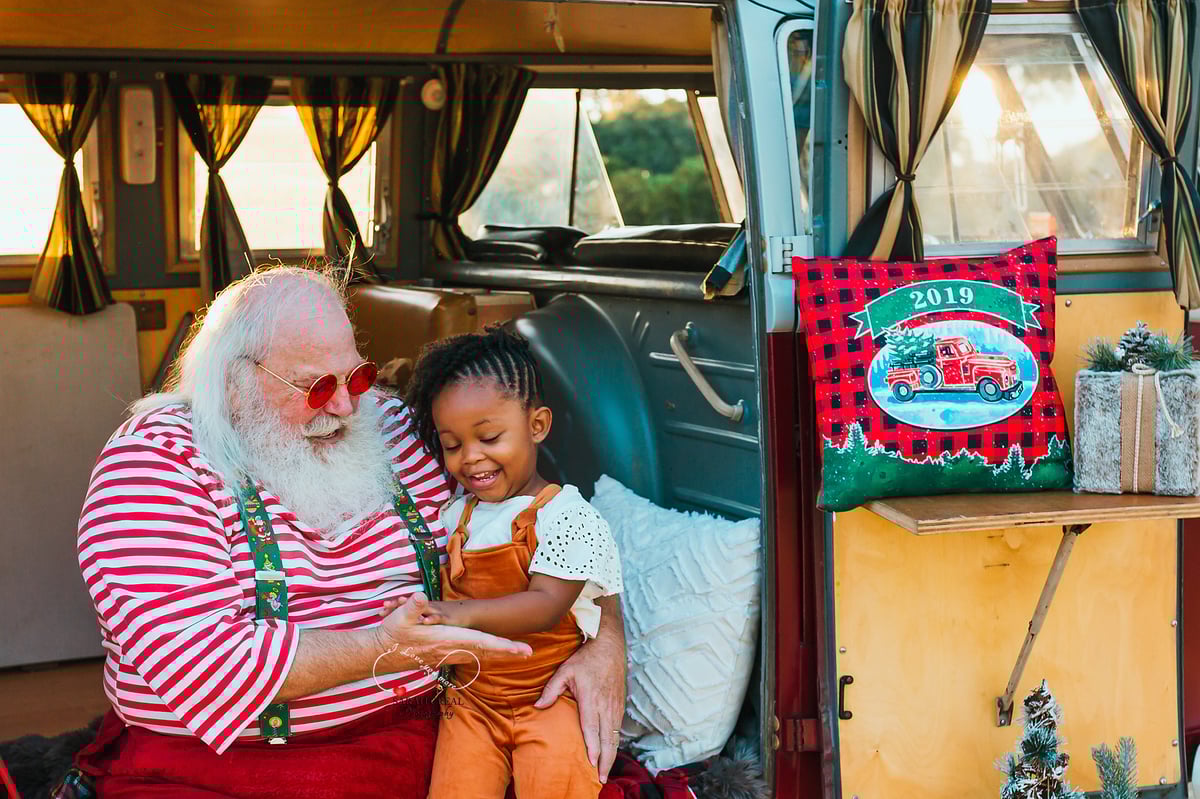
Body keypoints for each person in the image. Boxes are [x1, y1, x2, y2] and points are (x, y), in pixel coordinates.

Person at [70, 265, 626, 798]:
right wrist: (385, 646)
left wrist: (606, 642)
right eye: (315, 387)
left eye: (356, 376)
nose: (343, 405)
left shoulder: (399, 424)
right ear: (234, 384)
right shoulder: (154, 463)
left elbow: (554, 523)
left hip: (437, 736)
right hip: (226, 768)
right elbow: (206, 666)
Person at [395, 327, 623, 799]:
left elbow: (545, 606)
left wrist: (456, 614)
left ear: (537, 426)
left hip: (548, 696)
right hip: (472, 701)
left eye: (490, 437)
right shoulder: (458, 515)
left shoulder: (566, 514)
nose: (470, 457)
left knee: (560, 785)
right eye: (452, 445)